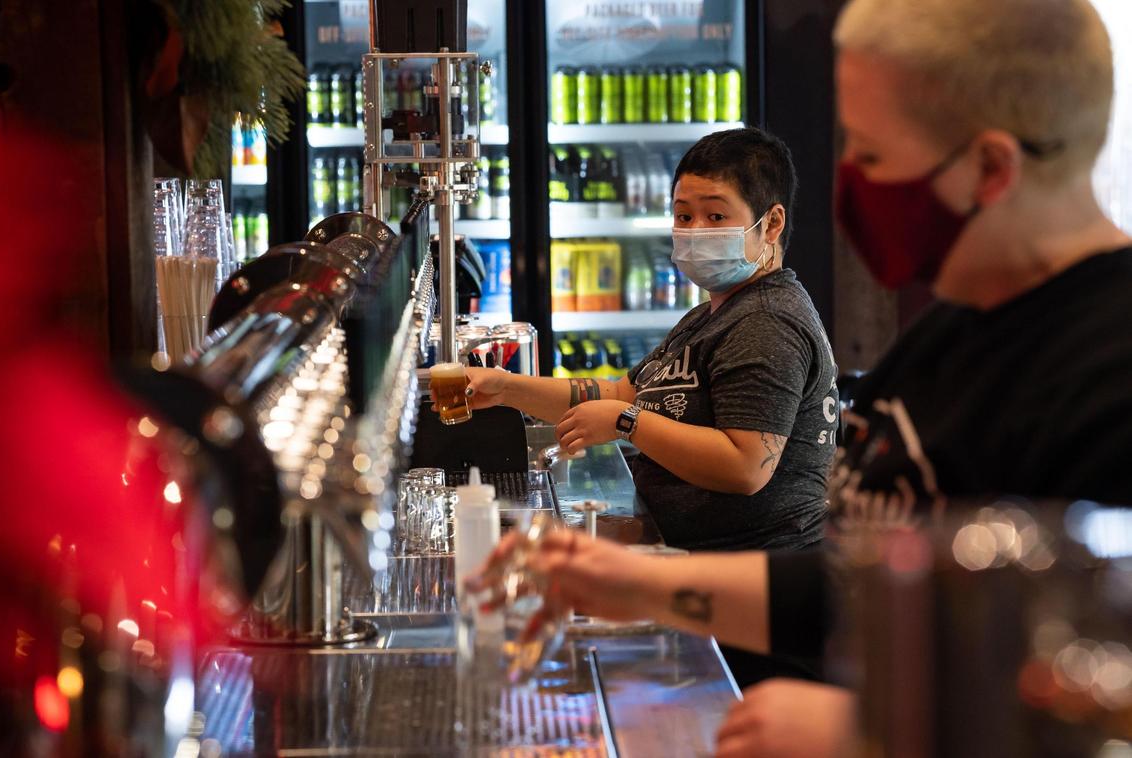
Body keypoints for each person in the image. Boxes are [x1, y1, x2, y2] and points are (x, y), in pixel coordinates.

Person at [470, 0, 1132, 754]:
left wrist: (866, 735)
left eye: (875, 159)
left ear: (990, 167)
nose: (852, 190)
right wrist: (628, 583)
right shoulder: (950, 334)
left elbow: (1088, 700)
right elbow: (865, 582)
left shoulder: (1104, 377)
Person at [466, 127, 839, 555]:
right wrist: (506, 388)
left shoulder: (766, 322)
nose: (695, 230)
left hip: (746, 577)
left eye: (715, 217)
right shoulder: (711, 314)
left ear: (771, 223)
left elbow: (746, 466)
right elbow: (621, 392)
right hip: (689, 551)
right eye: (683, 216)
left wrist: (626, 422)